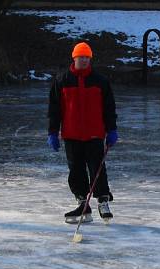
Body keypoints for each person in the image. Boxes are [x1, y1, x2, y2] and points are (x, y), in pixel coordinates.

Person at [48, 42, 118, 224]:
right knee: (76, 170)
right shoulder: (62, 80)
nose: (85, 60)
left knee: (98, 169)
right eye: (81, 57)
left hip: (94, 134)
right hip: (71, 135)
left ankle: (103, 201)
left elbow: (109, 108)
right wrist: (53, 132)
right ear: (74, 57)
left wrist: (112, 129)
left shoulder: (100, 81)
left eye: (87, 57)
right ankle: (82, 204)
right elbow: (54, 109)